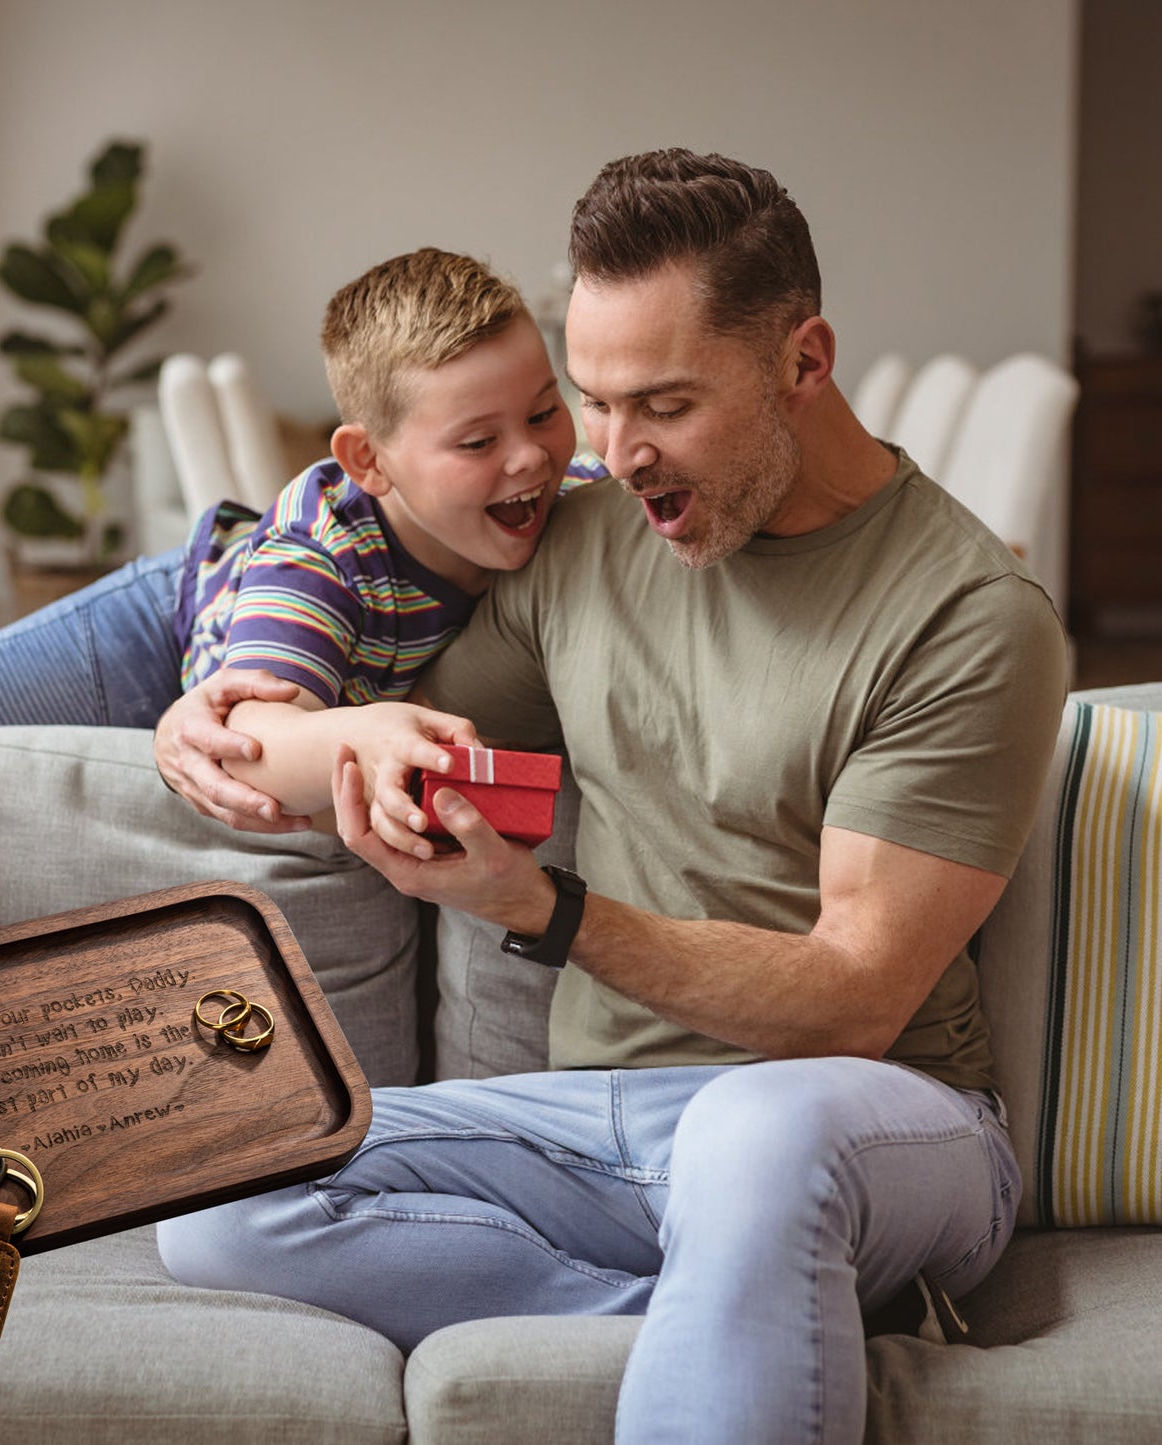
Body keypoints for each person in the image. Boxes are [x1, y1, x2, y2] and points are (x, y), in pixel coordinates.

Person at [152, 147, 1069, 1443]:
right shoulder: (587, 547)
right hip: (605, 1122)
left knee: (754, 1140)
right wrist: (214, 713)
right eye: (593, 401)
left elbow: (858, 997)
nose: (609, 455)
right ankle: (734, 1308)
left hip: (874, 1117)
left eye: (665, 405)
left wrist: (548, 910)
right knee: (225, 1173)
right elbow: (385, 736)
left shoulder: (966, 617)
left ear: (803, 363)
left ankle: (758, 1283)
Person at [0, 249, 605, 823]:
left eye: (543, 411)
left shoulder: (573, 500)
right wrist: (370, 731)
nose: (531, 455)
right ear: (369, 463)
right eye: (476, 442)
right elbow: (247, 744)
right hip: (170, 625)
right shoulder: (318, 563)